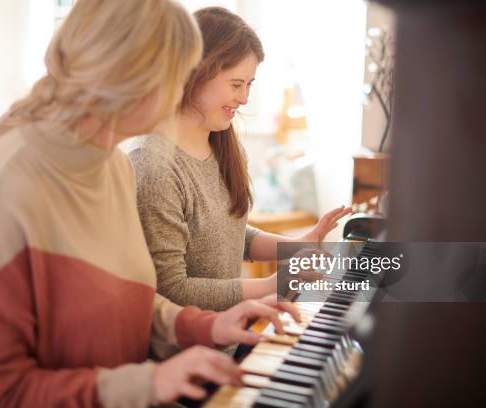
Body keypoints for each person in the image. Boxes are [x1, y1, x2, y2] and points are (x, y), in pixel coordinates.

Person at [0, 1, 299, 406]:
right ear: (132, 77)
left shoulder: (113, 167)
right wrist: (146, 384)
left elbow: (127, 297)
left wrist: (207, 326)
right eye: (179, 73)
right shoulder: (5, 192)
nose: (183, 89)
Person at [129, 7, 351, 312]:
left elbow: (231, 235)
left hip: (233, 338)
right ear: (196, 73)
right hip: (190, 354)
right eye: (236, 84)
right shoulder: (155, 169)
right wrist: (276, 282)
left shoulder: (225, 150)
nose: (244, 98)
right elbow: (172, 289)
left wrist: (299, 245)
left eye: (249, 84)